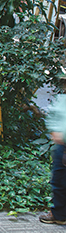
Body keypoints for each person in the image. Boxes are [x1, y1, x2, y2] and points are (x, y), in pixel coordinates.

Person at [41, 94, 66, 224]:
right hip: (62, 146)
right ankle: (60, 214)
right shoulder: (62, 99)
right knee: (59, 180)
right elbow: (54, 116)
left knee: (60, 180)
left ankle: (60, 214)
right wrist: (55, 131)